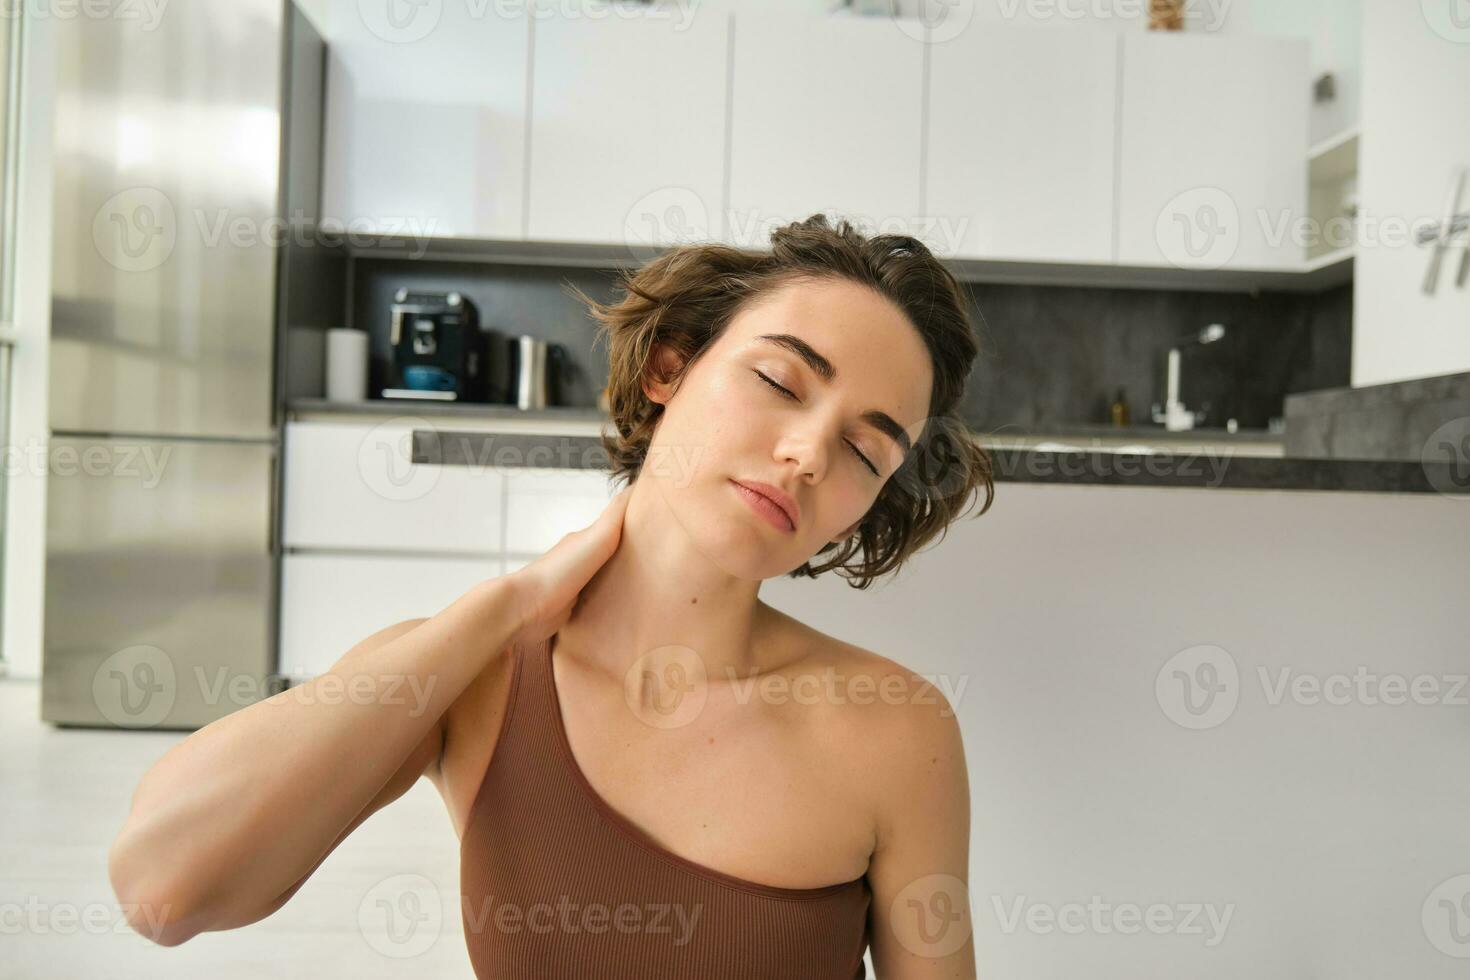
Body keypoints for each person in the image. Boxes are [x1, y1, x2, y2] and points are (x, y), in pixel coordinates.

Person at [108, 213, 995, 978]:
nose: (808, 453)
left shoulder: (897, 730)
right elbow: (163, 888)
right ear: (669, 369)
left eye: (866, 454)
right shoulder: (476, 673)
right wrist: (503, 608)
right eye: (778, 381)